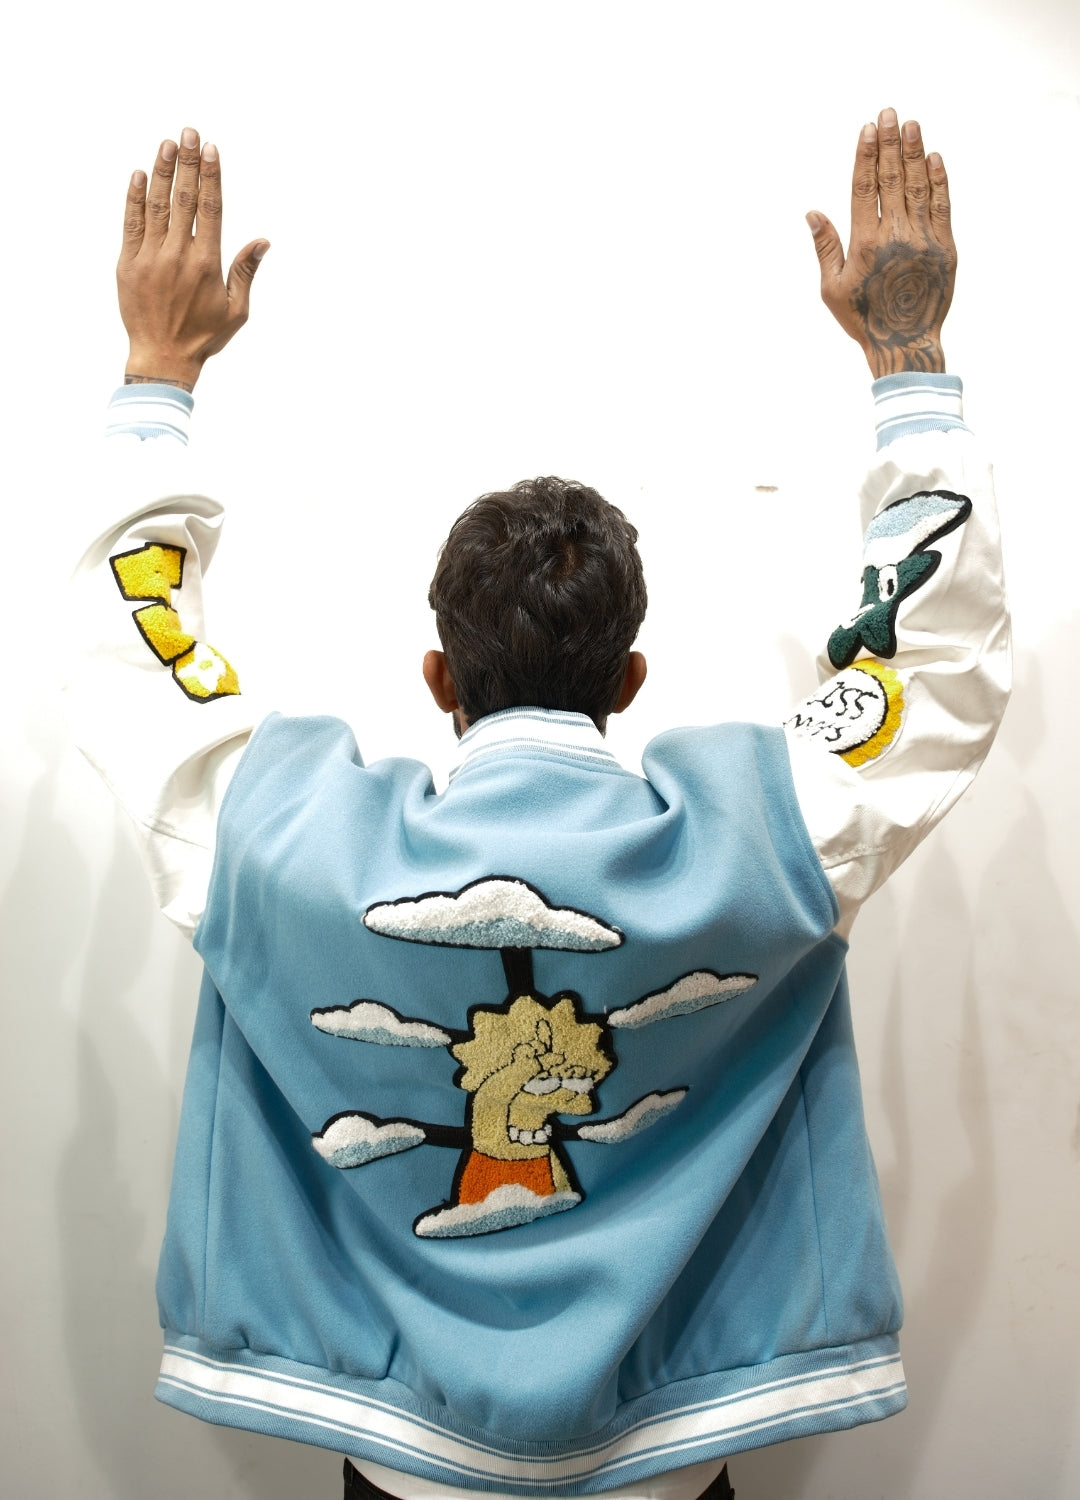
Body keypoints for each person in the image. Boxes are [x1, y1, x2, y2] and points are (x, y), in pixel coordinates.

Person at [66, 110, 1009, 1500]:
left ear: (437, 676)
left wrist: (158, 378)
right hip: (672, 1459)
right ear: (631, 677)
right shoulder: (766, 831)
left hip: (399, 1458)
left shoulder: (281, 834)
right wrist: (909, 369)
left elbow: (132, 653)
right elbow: (931, 668)